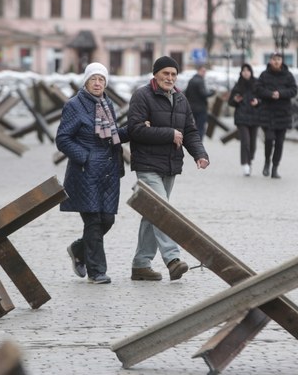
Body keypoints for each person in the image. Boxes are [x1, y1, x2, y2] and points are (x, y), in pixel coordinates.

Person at [127, 56, 210, 281]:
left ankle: (141, 265)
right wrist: (169, 133)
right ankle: (173, 259)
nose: (170, 78)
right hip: (147, 164)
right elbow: (134, 130)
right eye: (165, 73)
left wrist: (200, 154)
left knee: (152, 214)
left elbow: (190, 131)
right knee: (162, 211)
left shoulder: (181, 99)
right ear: (155, 74)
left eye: (173, 74)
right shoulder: (142, 96)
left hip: (170, 165)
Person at [56, 62, 129, 284]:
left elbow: (112, 135)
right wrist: (85, 157)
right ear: (86, 82)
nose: (98, 83)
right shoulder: (74, 105)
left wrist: (135, 129)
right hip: (85, 172)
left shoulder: (107, 104)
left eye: (101, 79)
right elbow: (62, 138)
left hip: (108, 171)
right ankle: (97, 272)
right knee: (94, 221)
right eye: (93, 79)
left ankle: (78, 248)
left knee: (107, 219)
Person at [254, 52, 297, 179]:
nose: (276, 61)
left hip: (283, 114)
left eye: (278, 59)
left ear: (282, 61)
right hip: (267, 113)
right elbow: (258, 89)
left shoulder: (288, 76)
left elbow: (294, 90)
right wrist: (270, 94)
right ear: (270, 61)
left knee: (279, 142)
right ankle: (267, 161)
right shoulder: (264, 75)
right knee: (268, 139)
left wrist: (281, 94)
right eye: (274, 59)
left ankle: (275, 167)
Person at [228, 63, 260, 176]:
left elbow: (263, 99)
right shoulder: (238, 85)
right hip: (241, 117)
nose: (246, 72)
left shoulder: (257, 84)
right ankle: (245, 164)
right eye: (244, 70)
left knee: (253, 144)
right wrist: (235, 100)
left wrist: (258, 102)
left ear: (251, 72)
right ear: (241, 72)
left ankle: (249, 160)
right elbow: (230, 102)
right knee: (245, 141)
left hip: (255, 117)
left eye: (248, 70)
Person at [183, 65, 214, 139]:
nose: (204, 73)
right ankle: (198, 143)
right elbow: (204, 94)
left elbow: (186, 93)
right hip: (200, 108)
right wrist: (212, 92)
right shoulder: (200, 81)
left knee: (193, 126)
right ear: (199, 71)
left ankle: (193, 141)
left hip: (191, 108)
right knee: (200, 127)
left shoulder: (191, 80)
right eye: (203, 71)